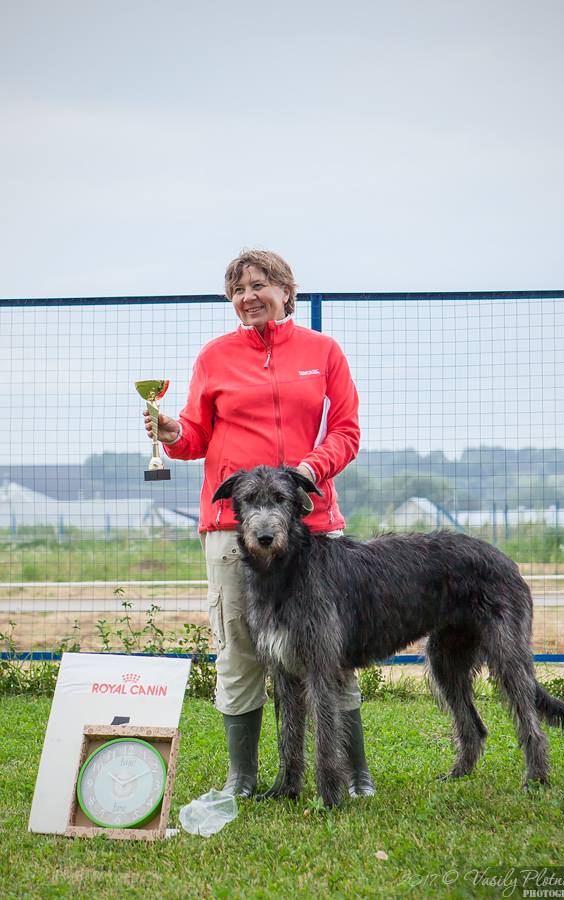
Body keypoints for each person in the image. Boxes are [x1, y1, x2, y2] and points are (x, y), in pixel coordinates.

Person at [144, 249, 375, 799]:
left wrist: (308, 471)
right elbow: (197, 437)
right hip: (232, 526)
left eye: (260, 284)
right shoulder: (215, 357)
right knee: (241, 651)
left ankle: (354, 772)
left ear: (286, 291)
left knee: (331, 654)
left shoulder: (323, 352)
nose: (249, 296)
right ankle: (242, 778)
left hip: (312, 525)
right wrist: (173, 432)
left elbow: (346, 431)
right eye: (238, 289)